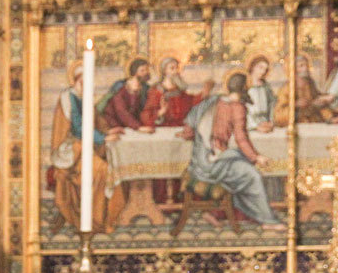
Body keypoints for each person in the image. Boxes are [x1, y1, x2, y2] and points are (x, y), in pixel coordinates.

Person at [182, 72, 284, 230]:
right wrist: (256, 157)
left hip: (199, 162)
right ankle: (267, 221)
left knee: (241, 164)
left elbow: (189, 127)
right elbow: (241, 138)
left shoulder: (212, 100)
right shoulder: (237, 107)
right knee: (253, 175)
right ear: (244, 88)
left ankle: (218, 213)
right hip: (214, 163)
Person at [47, 59, 125, 233]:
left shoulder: (84, 97)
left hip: (86, 145)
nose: (86, 85)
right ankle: (94, 220)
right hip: (70, 148)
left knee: (111, 167)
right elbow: (78, 128)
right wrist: (104, 137)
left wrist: (110, 130)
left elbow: (97, 120)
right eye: (83, 81)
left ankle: (105, 217)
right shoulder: (68, 98)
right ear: (75, 81)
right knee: (102, 170)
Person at [143, 56, 213, 127]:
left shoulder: (178, 90)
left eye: (177, 68)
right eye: (172, 68)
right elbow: (146, 116)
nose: (176, 71)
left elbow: (190, 101)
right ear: (164, 71)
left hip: (180, 127)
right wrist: (161, 112)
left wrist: (204, 92)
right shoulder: (156, 91)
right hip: (163, 129)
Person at [245, 55, 278, 132]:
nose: (263, 72)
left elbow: (272, 106)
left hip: (265, 122)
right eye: (260, 67)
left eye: (265, 69)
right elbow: (242, 109)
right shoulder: (245, 85)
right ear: (253, 67)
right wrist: (255, 126)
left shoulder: (266, 87)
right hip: (250, 123)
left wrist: (270, 122)